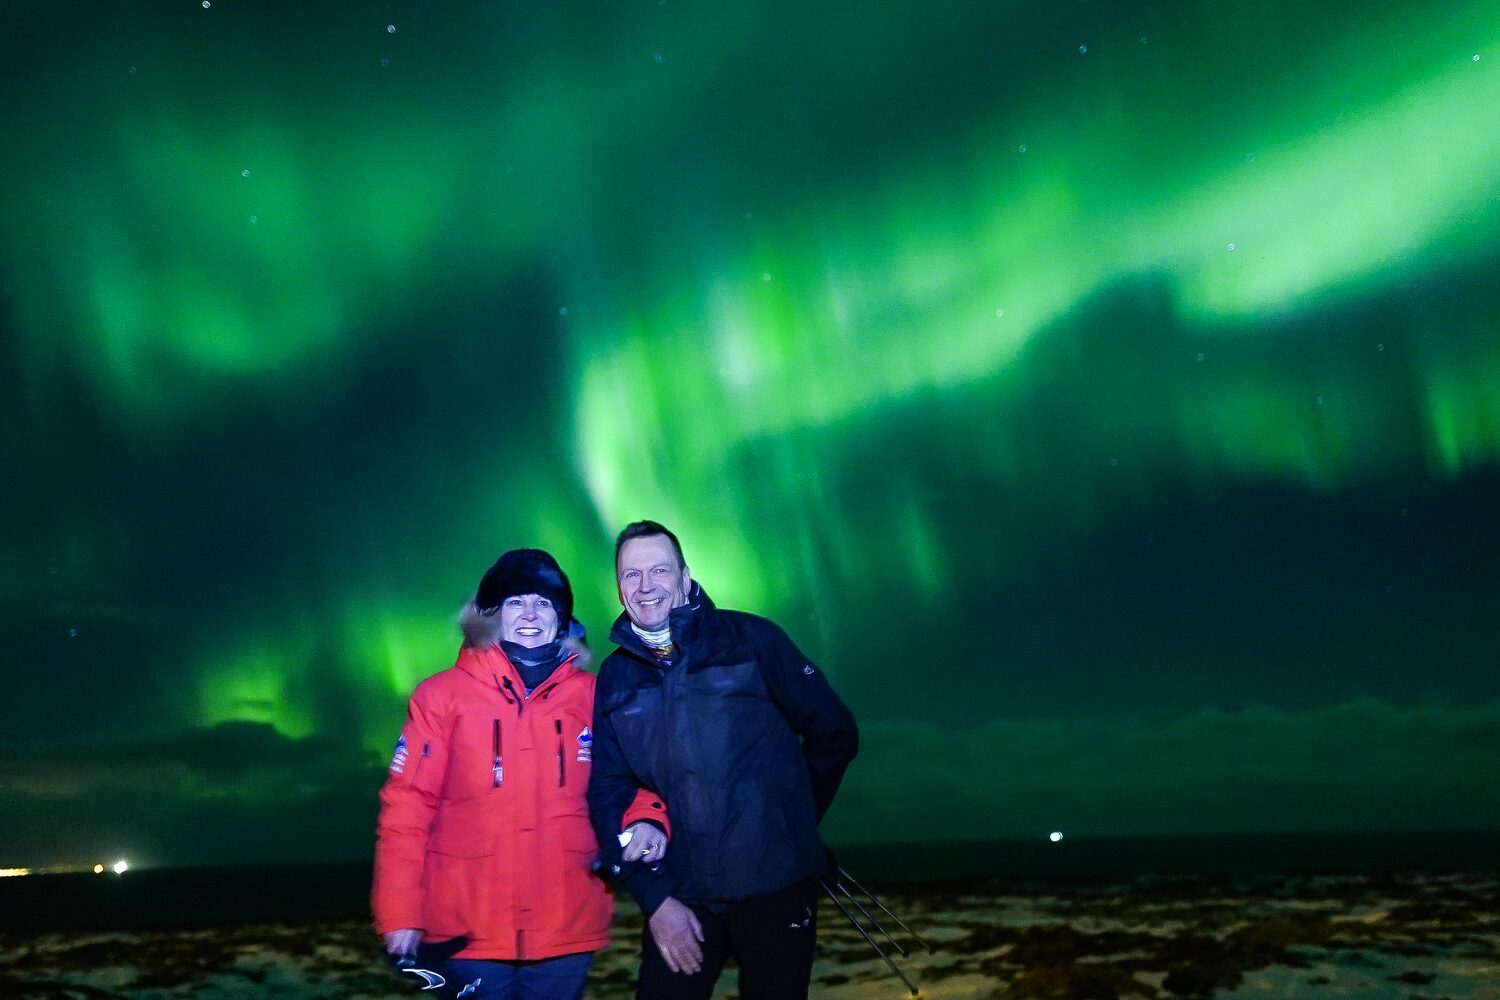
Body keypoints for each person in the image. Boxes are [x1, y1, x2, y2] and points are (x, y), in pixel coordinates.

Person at [374, 548, 672, 1000]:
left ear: (562, 617)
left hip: (566, 923)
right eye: (515, 602)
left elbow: (636, 777)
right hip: (466, 927)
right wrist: (399, 914)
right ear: (493, 615)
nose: (530, 614)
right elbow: (407, 808)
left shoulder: (595, 695)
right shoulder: (441, 697)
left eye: (544, 603)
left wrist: (648, 816)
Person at [587, 521, 859, 1000]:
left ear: (686, 576)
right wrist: (656, 899)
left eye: (659, 570)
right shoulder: (615, 676)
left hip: (776, 887)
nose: (646, 586)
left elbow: (833, 732)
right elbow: (609, 787)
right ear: (619, 586)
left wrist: (790, 821)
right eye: (632, 575)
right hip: (681, 896)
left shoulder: (753, 640)